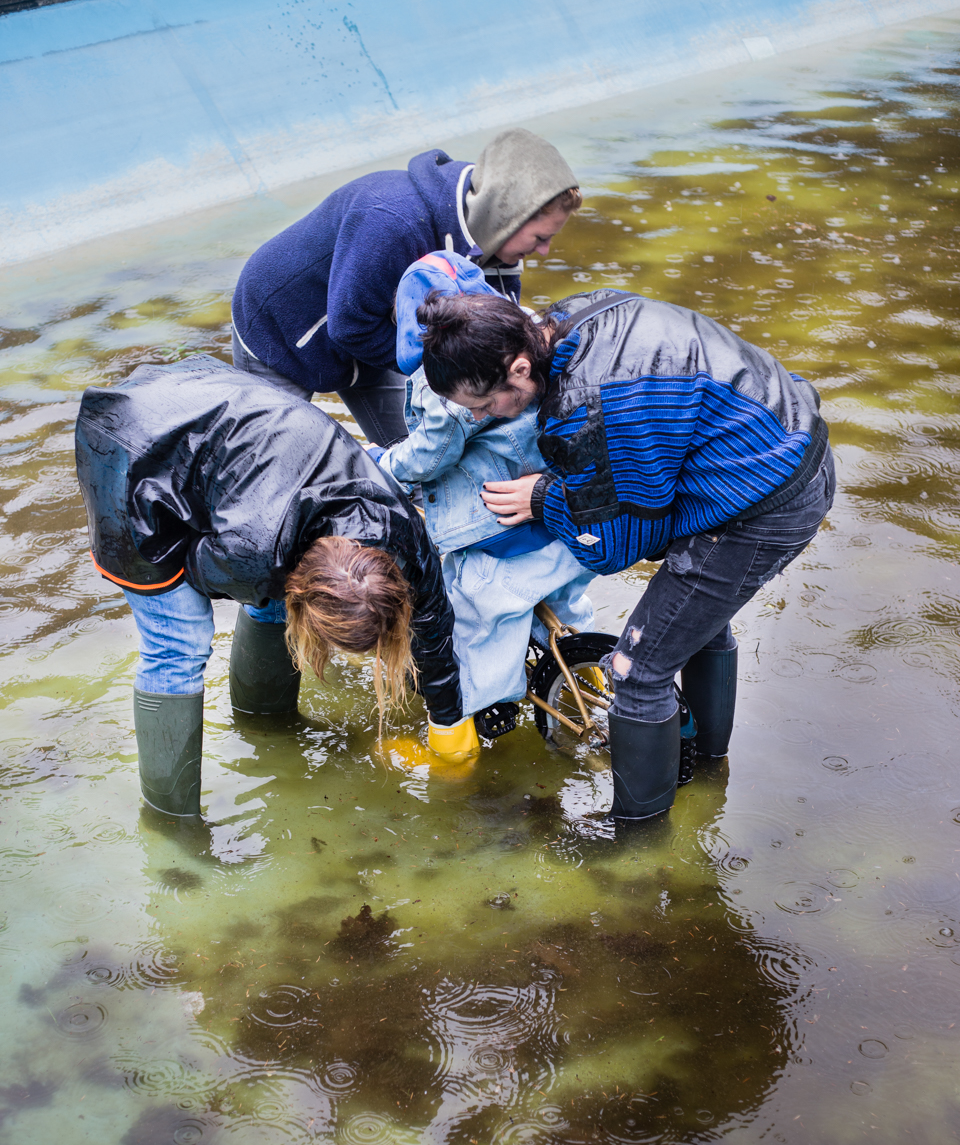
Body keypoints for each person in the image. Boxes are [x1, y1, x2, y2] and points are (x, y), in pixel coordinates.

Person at [414, 288, 835, 820]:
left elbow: (616, 548)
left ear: (519, 369)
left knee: (638, 671)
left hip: (764, 502)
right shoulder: (573, 317)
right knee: (698, 627)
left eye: (483, 405)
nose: (481, 417)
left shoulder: (586, 406)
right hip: (793, 442)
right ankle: (711, 771)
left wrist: (545, 498)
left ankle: (639, 844)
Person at [74, 354, 469, 821]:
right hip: (126, 438)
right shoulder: (251, 554)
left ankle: (264, 724)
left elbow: (433, 623)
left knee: (270, 599)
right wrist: (229, 544)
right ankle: (169, 819)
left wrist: (449, 723)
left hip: (211, 401)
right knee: (178, 642)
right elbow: (200, 569)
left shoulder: (402, 530)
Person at [371, 253, 594, 756]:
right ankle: (589, 678)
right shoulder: (516, 346)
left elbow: (432, 452)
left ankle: (457, 751)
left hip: (497, 535)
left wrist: (381, 465)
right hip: (558, 522)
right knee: (566, 612)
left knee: (475, 628)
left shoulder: (454, 380)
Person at [230, 128, 581, 446]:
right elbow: (350, 326)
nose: (545, 250)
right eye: (540, 237)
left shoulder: (495, 245)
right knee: (275, 458)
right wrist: (452, 372)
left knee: (413, 446)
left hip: (379, 331)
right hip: (282, 329)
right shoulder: (393, 222)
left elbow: (506, 334)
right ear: (506, 218)